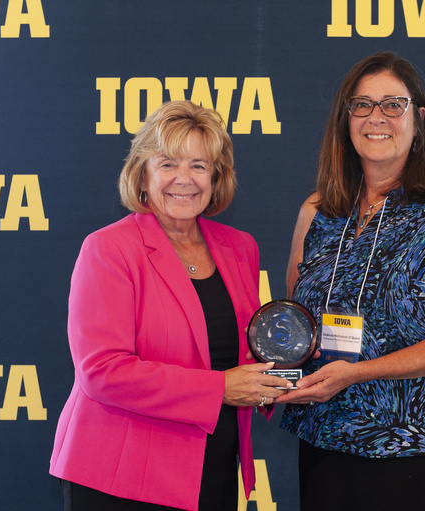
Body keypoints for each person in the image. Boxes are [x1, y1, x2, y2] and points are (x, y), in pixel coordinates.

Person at [275, 51, 425, 510]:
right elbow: (298, 326)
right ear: (345, 119)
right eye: (362, 105)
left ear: (419, 119)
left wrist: (357, 373)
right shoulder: (317, 211)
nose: (377, 117)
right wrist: (278, 376)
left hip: (413, 447)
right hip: (325, 438)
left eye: (393, 104)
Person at [49, 100, 291, 511]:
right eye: (167, 164)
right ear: (142, 175)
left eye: (198, 165)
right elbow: (103, 372)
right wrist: (221, 388)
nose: (185, 179)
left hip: (212, 466)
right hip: (121, 477)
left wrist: (286, 372)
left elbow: (245, 350)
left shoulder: (239, 247)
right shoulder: (108, 249)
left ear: (216, 177)